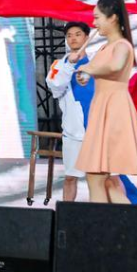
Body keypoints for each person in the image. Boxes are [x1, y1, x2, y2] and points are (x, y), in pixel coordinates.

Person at [75, 0, 137, 203]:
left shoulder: (122, 46)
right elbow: (99, 70)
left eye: (97, 17)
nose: (94, 23)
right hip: (103, 107)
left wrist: (89, 69)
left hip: (114, 109)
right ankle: (122, 221)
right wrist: (84, 74)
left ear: (113, 18)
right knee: (107, 180)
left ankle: (103, 221)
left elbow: (116, 66)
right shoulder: (104, 47)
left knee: (97, 176)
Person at [45, 21, 93, 202]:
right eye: (69, 35)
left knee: (104, 178)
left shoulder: (97, 62)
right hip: (74, 132)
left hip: (98, 129)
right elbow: (55, 87)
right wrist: (69, 65)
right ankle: (65, 214)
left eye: (78, 34)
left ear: (87, 37)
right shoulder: (59, 64)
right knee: (71, 177)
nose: (73, 38)